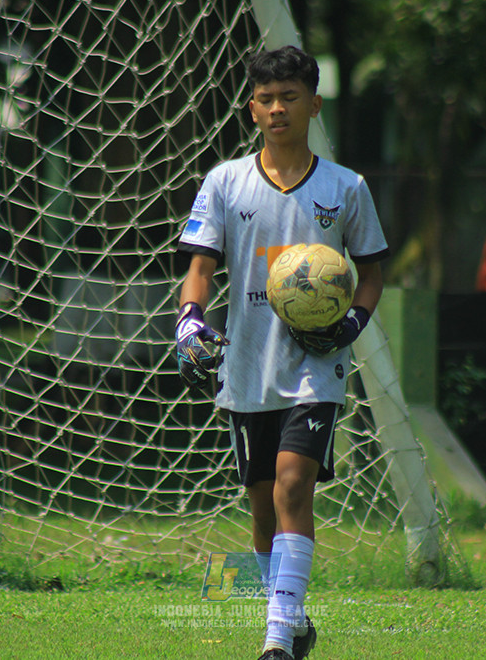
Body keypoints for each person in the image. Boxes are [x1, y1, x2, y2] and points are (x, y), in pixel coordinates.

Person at [175, 45, 388, 660]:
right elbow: (200, 267)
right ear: (251, 109)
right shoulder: (225, 182)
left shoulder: (346, 187)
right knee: (263, 508)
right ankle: (293, 623)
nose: (277, 109)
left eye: (289, 97)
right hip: (246, 366)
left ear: (313, 105)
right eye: (266, 99)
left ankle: (274, 642)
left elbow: (370, 272)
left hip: (315, 368)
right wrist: (190, 321)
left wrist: (352, 322)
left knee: (294, 486)